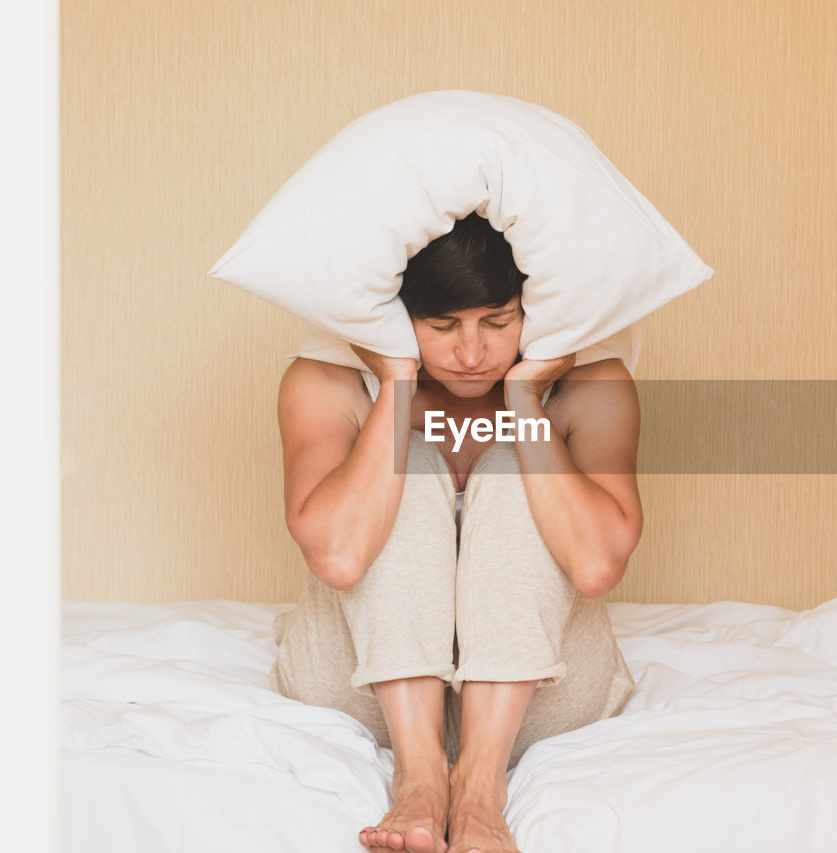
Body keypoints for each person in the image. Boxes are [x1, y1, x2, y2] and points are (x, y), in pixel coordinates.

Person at [268, 212, 641, 853]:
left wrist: (525, 405)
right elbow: (338, 555)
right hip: (358, 685)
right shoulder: (327, 382)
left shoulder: (591, 386)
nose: (473, 355)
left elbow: (596, 567)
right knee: (406, 458)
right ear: (395, 319)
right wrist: (395, 383)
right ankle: (417, 776)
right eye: (442, 327)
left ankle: (479, 786)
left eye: (498, 323)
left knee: (511, 459)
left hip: (539, 700)